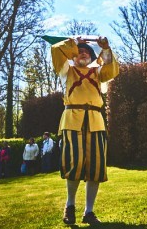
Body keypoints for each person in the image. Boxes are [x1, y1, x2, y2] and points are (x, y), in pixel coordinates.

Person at [51, 35, 119, 226]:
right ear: (73, 55)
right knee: (75, 163)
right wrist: (73, 42)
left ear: (91, 57)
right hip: (73, 120)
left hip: (95, 121)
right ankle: (70, 206)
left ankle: (89, 211)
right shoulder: (67, 70)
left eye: (86, 52)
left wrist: (105, 48)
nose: (82, 54)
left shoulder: (98, 73)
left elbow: (112, 69)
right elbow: (56, 50)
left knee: (95, 167)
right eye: (79, 51)